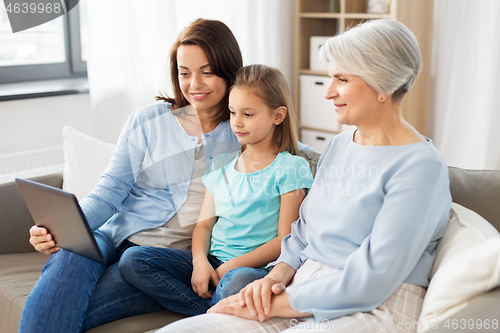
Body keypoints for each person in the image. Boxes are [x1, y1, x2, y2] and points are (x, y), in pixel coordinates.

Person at [156, 19, 453, 333]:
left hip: (375, 306)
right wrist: (274, 277)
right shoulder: (340, 146)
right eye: (330, 78)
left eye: (341, 79)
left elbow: (371, 280)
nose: (328, 93)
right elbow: (302, 231)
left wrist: (273, 303)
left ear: (384, 84)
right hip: (303, 288)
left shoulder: (420, 167)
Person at [19, 19, 245, 333]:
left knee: (64, 310)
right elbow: (110, 190)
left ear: (229, 68)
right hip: (114, 237)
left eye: (207, 72)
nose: (195, 84)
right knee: (70, 253)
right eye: (184, 73)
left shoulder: (244, 130)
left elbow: (293, 153)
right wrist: (61, 228)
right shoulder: (147, 121)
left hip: (158, 261)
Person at [119, 64, 314, 315]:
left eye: (248, 114)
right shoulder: (223, 164)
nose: (237, 123)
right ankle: (209, 310)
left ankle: (212, 311)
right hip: (212, 261)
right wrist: (200, 262)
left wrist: (229, 267)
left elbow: (284, 240)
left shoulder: (291, 167)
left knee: (236, 282)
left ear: (277, 116)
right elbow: (204, 225)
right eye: (233, 112)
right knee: (133, 260)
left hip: (251, 267)